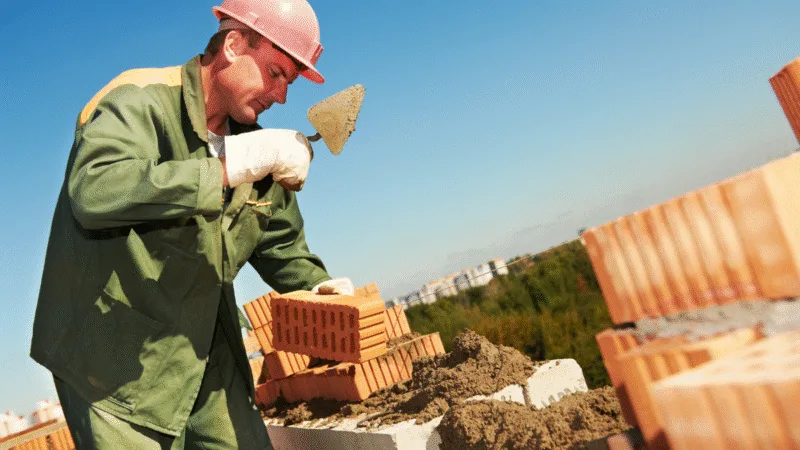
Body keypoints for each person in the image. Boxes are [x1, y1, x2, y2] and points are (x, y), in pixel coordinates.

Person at [29, 0, 353, 448]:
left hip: (201, 344)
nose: (281, 96)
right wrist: (226, 167)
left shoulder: (254, 144)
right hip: (110, 358)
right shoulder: (137, 99)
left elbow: (282, 247)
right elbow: (94, 190)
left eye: (290, 83)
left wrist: (319, 289)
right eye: (276, 73)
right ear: (235, 45)